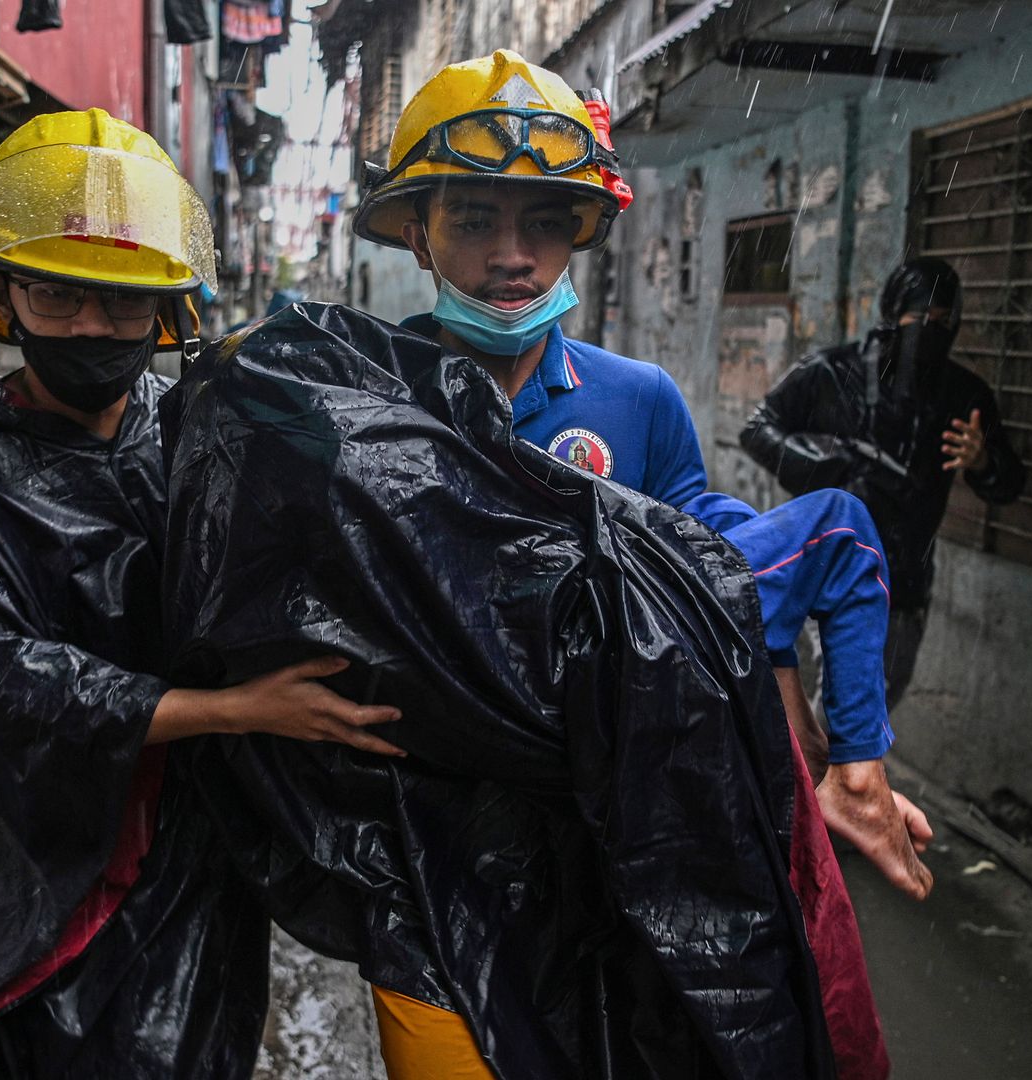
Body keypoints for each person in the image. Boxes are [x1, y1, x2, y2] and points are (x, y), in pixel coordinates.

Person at [349, 48, 913, 1079]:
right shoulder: (364, 404)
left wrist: (843, 754)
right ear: (419, 233)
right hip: (437, 856)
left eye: (545, 221)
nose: (511, 255)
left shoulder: (640, 396)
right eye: (474, 219)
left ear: (582, 237)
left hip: (621, 842)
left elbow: (712, 563)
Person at [0, 109, 402, 1080]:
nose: (92, 329)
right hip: (23, 850)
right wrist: (230, 710)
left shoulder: (199, 429)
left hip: (189, 847)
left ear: (167, 311)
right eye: (58, 298)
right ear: (2, 294)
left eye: (121, 303)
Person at [740, 256, 1027, 710]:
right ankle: (807, 778)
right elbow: (758, 428)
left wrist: (983, 460)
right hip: (831, 561)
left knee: (874, 698)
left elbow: (1008, 484)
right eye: (918, 319)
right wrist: (822, 467)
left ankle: (807, 775)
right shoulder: (835, 372)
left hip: (904, 580)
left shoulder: (964, 395)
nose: (928, 331)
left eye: (941, 321)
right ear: (894, 315)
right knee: (843, 709)